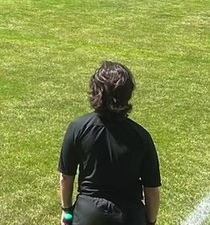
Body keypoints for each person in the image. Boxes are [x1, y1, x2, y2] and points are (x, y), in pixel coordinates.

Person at [58, 61, 161, 225]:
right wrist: (151, 221)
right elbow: (152, 189)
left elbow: (66, 177)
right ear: (128, 94)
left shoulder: (78, 128)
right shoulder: (141, 136)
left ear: (95, 91)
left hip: (88, 215)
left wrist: (67, 211)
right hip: (129, 216)